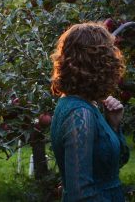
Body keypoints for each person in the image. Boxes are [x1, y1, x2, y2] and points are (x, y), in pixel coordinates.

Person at [50, 23, 130, 201]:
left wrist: (114, 125)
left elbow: (112, 166)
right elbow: (81, 193)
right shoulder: (80, 113)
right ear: (100, 64)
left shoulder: (85, 106)